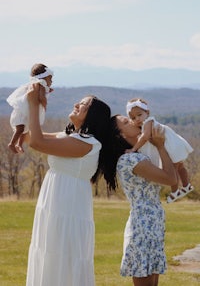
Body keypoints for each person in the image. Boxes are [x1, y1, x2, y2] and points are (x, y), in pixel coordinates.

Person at [25, 83, 112, 286]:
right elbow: (29, 137)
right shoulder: (71, 136)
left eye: (82, 105)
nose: (76, 105)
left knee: (62, 256)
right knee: (48, 251)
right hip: (54, 202)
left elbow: (38, 143)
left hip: (68, 206)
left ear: (92, 116)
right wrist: (38, 104)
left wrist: (33, 105)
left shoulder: (87, 143)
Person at [105, 114, 177, 286]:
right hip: (142, 227)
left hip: (152, 224)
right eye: (125, 122)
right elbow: (171, 179)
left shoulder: (139, 155)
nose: (132, 121)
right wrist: (160, 146)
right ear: (120, 135)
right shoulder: (130, 160)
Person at [126, 98, 194, 203]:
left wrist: (134, 148)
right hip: (173, 143)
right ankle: (186, 185)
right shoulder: (147, 123)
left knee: (174, 168)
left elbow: (145, 137)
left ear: (147, 112)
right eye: (133, 118)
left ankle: (175, 191)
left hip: (170, 146)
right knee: (180, 166)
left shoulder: (148, 122)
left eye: (139, 115)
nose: (137, 119)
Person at [6, 63, 54, 153]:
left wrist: (47, 91)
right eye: (50, 79)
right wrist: (44, 104)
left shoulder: (35, 84)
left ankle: (19, 144)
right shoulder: (40, 84)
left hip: (24, 112)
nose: (51, 81)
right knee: (20, 129)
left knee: (25, 130)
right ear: (44, 77)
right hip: (22, 113)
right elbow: (41, 96)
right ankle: (12, 143)